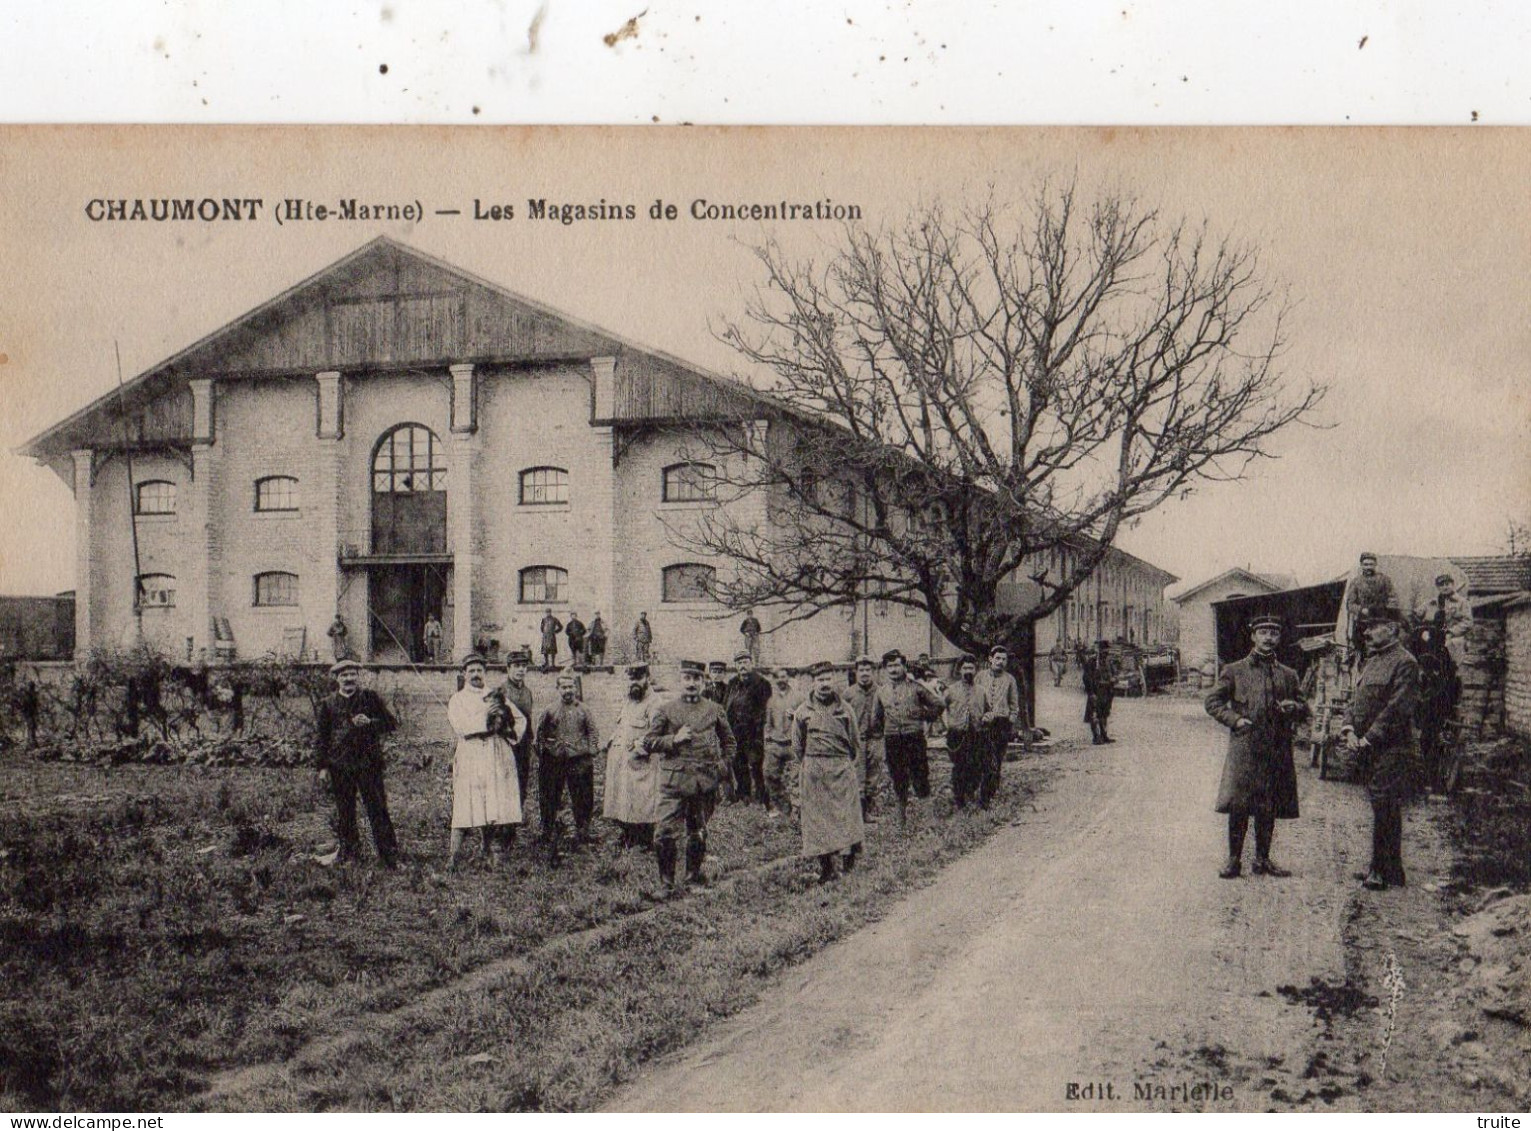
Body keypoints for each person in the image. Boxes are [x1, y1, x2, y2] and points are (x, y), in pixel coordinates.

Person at [1204, 616, 1307, 879]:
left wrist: (1295, 708)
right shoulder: (1235, 670)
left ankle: (1263, 859)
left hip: (1277, 748)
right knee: (1239, 805)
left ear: (1279, 638)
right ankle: (1234, 860)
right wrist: (1235, 719)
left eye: (1274, 632)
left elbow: (1304, 707)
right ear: (1253, 636)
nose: (1268, 637)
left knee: (1268, 804)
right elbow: (1212, 702)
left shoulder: (1289, 674)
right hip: (1246, 747)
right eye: (1263, 632)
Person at [643, 658, 737, 898]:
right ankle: (666, 885)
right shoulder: (666, 709)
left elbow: (730, 742)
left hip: (704, 781)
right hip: (673, 782)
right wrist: (672, 740)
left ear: (703, 681)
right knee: (664, 833)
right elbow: (648, 742)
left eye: (696, 678)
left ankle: (692, 877)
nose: (692, 683)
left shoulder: (714, 709)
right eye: (687, 678)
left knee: (698, 831)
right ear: (680, 680)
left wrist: (722, 766)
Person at [1341, 608, 1421, 890]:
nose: (1366, 632)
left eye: (1373, 626)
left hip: (1392, 747)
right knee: (1384, 806)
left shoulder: (1405, 662)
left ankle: (1378, 870)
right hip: (1369, 745)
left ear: (1392, 628)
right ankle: (1393, 870)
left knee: (1383, 802)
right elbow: (1355, 699)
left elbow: (1397, 708)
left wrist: (1370, 737)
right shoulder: (1371, 661)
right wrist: (1349, 729)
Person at [314, 659, 399, 868]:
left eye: (352, 674)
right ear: (336, 679)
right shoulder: (328, 703)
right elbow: (322, 738)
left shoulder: (369, 698)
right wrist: (322, 767)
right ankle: (350, 854)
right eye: (344, 675)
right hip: (340, 765)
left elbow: (390, 723)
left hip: (368, 764)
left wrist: (371, 723)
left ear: (357, 676)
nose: (349, 679)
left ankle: (389, 857)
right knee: (345, 811)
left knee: (377, 809)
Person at [447, 653, 524, 868]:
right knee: (466, 803)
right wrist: (487, 719)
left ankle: (487, 850)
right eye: (471, 671)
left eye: (479, 670)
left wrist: (506, 728)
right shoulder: (457, 699)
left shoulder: (495, 695)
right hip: (471, 752)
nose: (475, 674)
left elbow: (519, 719)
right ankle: (453, 857)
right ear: (463, 674)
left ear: (485, 672)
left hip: (495, 752)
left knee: (492, 802)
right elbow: (461, 727)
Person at [793, 661, 867, 883]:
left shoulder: (845, 710)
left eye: (827, 679)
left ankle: (848, 860)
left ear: (834, 680)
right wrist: (812, 765)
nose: (824, 684)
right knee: (817, 820)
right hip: (814, 771)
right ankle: (826, 867)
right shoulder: (803, 711)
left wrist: (844, 765)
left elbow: (855, 743)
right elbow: (797, 746)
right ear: (813, 682)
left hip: (841, 768)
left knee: (846, 815)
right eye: (819, 680)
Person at [869, 649, 945, 822]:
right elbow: (876, 718)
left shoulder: (916, 687)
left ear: (904, 666)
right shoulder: (881, 691)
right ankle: (900, 820)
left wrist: (923, 715)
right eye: (890, 666)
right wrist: (885, 730)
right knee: (897, 777)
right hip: (893, 740)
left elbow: (939, 704)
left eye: (897, 665)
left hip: (914, 738)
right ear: (885, 669)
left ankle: (929, 819)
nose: (893, 670)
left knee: (920, 776)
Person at [536, 672, 600, 863]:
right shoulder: (549, 710)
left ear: (575, 688)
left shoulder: (584, 710)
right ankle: (547, 830)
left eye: (571, 687)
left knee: (582, 798)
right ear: (558, 689)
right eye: (564, 687)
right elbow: (539, 735)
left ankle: (582, 833)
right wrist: (546, 752)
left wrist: (590, 751)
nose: (568, 691)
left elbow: (593, 733)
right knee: (549, 796)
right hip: (555, 760)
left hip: (578, 761)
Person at [602, 663, 661, 848]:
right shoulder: (628, 700)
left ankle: (644, 839)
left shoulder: (655, 703)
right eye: (631, 679)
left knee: (642, 801)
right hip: (622, 761)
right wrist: (610, 741)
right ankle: (627, 834)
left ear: (647, 678)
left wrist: (638, 748)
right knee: (622, 799)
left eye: (638, 678)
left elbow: (656, 733)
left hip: (642, 762)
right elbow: (623, 726)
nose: (634, 683)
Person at [973, 645, 1021, 806]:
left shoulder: (1010, 680)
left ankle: (989, 795)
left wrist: (1011, 721)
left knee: (996, 759)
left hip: (1001, 724)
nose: (1000, 662)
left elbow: (1014, 704)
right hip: (983, 723)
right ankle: (981, 792)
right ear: (990, 659)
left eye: (1004, 659)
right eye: (998, 658)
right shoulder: (979, 677)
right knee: (984, 758)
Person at [725, 651, 773, 806]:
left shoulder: (762, 683)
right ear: (736, 666)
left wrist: (758, 729)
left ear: (751, 663)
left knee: (756, 764)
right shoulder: (732, 683)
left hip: (754, 732)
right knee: (738, 763)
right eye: (739, 663)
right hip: (735, 731)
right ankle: (744, 793)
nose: (742, 665)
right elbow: (727, 705)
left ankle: (760, 794)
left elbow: (766, 709)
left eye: (745, 662)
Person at [841, 655, 883, 821]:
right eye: (861, 670)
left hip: (876, 738)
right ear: (856, 672)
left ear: (872, 672)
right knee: (857, 775)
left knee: (874, 775)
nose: (864, 673)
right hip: (856, 740)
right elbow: (840, 717)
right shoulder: (848, 694)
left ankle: (869, 809)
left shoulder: (881, 692)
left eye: (868, 669)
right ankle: (857, 812)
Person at [942, 654, 983, 809]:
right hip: (956, 735)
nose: (968, 671)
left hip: (976, 733)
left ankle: (971, 792)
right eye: (965, 668)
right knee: (959, 766)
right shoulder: (950, 691)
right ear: (959, 670)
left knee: (976, 765)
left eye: (971, 668)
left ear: (976, 670)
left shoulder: (981, 691)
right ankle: (959, 799)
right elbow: (940, 707)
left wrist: (987, 716)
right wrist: (945, 726)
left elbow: (988, 710)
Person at [498, 647, 535, 809]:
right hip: (507, 744)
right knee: (505, 784)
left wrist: (531, 742)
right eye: (516, 666)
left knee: (522, 782)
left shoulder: (527, 692)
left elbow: (528, 719)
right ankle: (503, 827)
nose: (521, 670)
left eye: (524, 666)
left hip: (524, 744)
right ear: (508, 668)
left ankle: (515, 821)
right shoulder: (502, 691)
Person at [1345, 552, 1399, 655]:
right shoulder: (1356, 582)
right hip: (1363, 622)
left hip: (1381, 622)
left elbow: (1393, 598)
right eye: (1365, 564)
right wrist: (1361, 610)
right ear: (1361, 565)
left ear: (1375, 565)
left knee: (1384, 650)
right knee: (1362, 651)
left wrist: (1387, 609)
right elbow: (1350, 604)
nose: (1368, 567)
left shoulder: (1384, 580)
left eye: (1371, 564)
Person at [1413, 572, 1471, 668]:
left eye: (1447, 584)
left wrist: (1451, 632)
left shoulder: (1462, 603)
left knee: (1448, 653)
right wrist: (1419, 617)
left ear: (1452, 585)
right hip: (1433, 634)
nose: (1445, 587)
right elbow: (1417, 615)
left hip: (1451, 635)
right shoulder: (1432, 602)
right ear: (1438, 588)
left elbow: (1467, 622)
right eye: (1441, 585)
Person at [762, 669, 799, 819]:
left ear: (788, 678)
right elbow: (768, 723)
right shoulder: (771, 700)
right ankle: (782, 805)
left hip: (793, 744)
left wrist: (796, 716)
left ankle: (797, 810)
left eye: (784, 676)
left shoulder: (798, 697)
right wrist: (768, 740)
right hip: (775, 744)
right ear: (775, 680)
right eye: (778, 677)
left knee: (796, 778)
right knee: (770, 774)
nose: (781, 680)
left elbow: (806, 718)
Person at [1082, 640, 1116, 745]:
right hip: (1096, 691)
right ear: (1099, 651)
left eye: (1107, 651)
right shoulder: (1092, 662)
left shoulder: (1108, 663)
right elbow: (1086, 678)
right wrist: (1091, 692)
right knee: (1094, 714)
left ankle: (1104, 735)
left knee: (1104, 714)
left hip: (1106, 692)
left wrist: (1113, 680)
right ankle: (1096, 737)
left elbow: (1113, 674)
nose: (1106, 653)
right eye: (1104, 651)